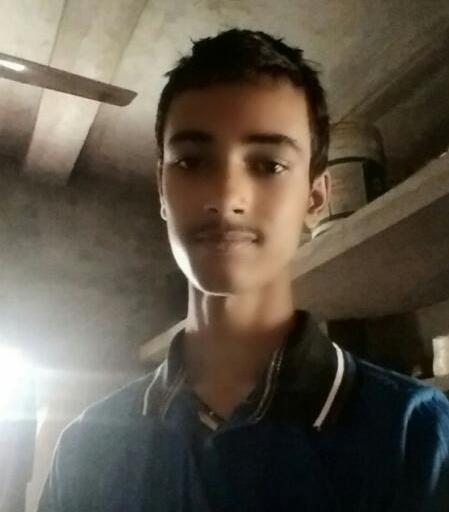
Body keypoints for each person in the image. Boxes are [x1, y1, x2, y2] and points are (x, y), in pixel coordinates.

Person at [38, 29, 449, 512]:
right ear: (162, 189)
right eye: (192, 161)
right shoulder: (87, 447)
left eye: (269, 165)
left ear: (315, 197)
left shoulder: (417, 435)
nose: (226, 196)